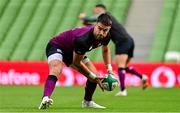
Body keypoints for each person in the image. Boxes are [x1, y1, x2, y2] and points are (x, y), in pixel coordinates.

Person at [39, 13, 114, 109]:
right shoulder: (83, 39)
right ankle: (45, 98)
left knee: (95, 74)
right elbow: (76, 63)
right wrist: (93, 77)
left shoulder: (106, 36)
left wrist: (109, 69)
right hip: (57, 45)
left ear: (109, 29)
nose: (101, 33)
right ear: (95, 25)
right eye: (99, 28)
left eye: (105, 30)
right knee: (56, 69)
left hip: (74, 50)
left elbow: (106, 49)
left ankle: (87, 102)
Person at [79, 4, 148, 96]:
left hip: (122, 41)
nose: (95, 13)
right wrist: (86, 23)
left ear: (101, 9)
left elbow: (94, 20)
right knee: (125, 67)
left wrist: (85, 17)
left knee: (120, 67)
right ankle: (142, 77)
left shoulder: (107, 16)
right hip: (129, 40)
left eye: (96, 11)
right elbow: (97, 27)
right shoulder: (106, 24)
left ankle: (123, 90)